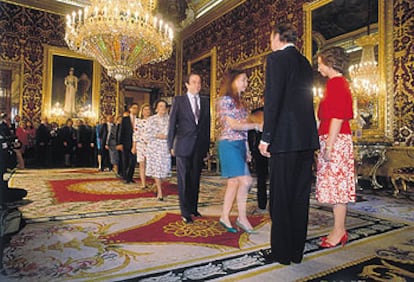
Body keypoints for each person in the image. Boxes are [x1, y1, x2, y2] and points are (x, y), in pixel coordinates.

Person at [258, 23, 319, 265]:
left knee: (281, 197)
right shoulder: (305, 62)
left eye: (270, 37)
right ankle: (296, 251)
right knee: (300, 197)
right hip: (306, 139)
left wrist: (266, 137)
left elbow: (272, 101)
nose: (270, 42)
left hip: (284, 139)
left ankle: (282, 254)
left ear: (277, 37)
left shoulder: (276, 59)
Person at [315, 46, 355, 248]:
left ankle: (339, 230)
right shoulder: (337, 83)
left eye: (320, 63)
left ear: (330, 63)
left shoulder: (336, 84)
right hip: (335, 139)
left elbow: (338, 117)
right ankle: (338, 229)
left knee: (338, 189)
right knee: (336, 188)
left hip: (335, 140)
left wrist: (329, 146)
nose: (319, 67)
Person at [216, 69, 262, 233]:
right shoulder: (225, 100)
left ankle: (224, 216)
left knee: (234, 182)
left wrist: (248, 149)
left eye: (246, 80)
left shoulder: (241, 103)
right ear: (233, 81)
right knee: (246, 181)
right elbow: (234, 125)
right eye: (243, 79)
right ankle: (242, 217)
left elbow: (243, 131)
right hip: (228, 144)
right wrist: (256, 125)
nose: (246, 83)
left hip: (240, 145)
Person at [168, 73, 211, 224]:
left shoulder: (205, 101)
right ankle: (185, 212)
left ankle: (193, 207)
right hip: (182, 146)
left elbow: (206, 126)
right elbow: (172, 124)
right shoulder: (179, 101)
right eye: (194, 82)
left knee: (195, 179)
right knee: (183, 179)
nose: (197, 85)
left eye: (199, 82)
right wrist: (170, 145)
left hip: (199, 147)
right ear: (187, 84)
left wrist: (206, 148)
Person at [147, 100, 171, 200]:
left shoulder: (170, 120)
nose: (162, 108)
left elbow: (174, 132)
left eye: (164, 106)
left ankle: (157, 185)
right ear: (156, 108)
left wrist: (167, 137)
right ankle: (160, 193)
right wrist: (158, 135)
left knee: (164, 172)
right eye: (160, 106)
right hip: (154, 147)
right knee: (156, 169)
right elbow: (147, 133)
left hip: (165, 147)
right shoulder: (151, 119)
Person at [248, 103, 268, 212]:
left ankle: (263, 204)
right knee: (262, 178)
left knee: (262, 178)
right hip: (260, 149)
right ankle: (263, 203)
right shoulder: (256, 112)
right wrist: (251, 149)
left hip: (271, 149)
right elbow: (250, 133)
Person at [117, 103, 139, 184]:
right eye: (134, 108)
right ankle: (125, 177)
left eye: (137, 108)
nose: (135, 109)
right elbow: (121, 132)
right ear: (130, 109)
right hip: (125, 143)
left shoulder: (139, 119)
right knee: (125, 160)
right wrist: (119, 143)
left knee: (133, 161)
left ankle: (130, 177)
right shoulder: (125, 119)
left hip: (135, 143)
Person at [136, 103, 152, 189]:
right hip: (141, 145)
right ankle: (143, 183)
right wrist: (134, 146)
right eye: (145, 109)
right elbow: (136, 134)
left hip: (151, 145)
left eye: (148, 109)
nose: (147, 111)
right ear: (142, 111)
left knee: (151, 164)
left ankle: (155, 182)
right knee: (142, 164)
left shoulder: (153, 120)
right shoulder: (138, 121)